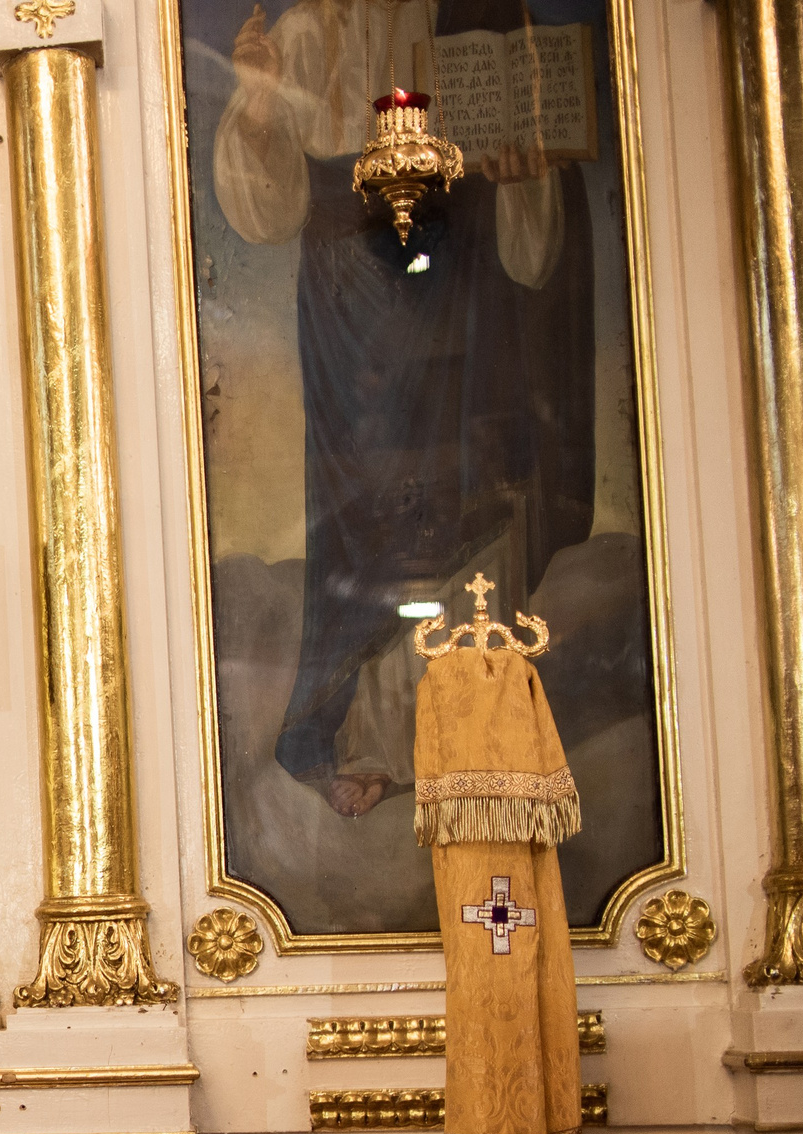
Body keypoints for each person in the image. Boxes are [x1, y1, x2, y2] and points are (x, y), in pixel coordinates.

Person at [212, 0, 592, 819]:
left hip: (457, 292)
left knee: (468, 493)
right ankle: (363, 739)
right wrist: (260, 105)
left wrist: (525, 177)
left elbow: (533, 235)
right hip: (353, 315)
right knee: (369, 517)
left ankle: (462, 727)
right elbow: (265, 211)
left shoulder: (467, 20)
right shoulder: (310, 34)